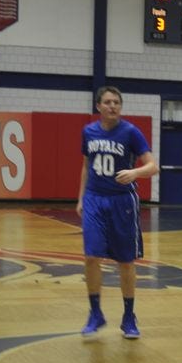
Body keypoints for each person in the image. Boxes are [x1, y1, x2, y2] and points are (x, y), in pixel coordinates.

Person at [77, 86, 158, 339]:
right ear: (98, 106)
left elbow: (153, 166)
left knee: (125, 261)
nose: (112, 106)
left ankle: (128, 316)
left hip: (122, 201)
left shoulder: (130, 132)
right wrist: (81, 198)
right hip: (94, 199)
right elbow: (86, 166)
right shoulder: (88, 132)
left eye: (116, 102)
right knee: (91, 257)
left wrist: (135, 173)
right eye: (108, 102)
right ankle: (95, 313)